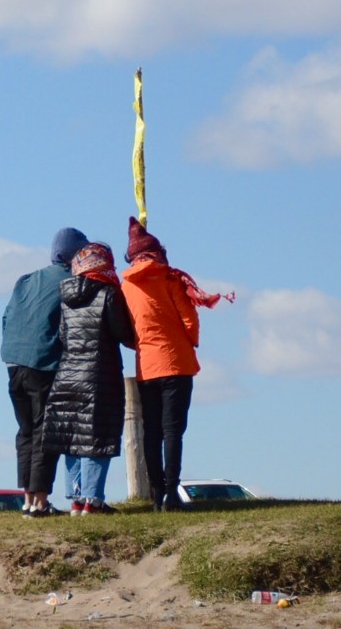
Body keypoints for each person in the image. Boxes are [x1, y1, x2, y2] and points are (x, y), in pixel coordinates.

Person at [118, 218, 232, 511]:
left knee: (151, 433)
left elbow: (128, 328)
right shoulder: (170, 278)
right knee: (173, 431)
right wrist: (189, 342)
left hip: (147, 365)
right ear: (158, 252)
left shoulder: (126, 286)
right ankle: (171, 493)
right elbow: (189, 319)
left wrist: (141, 345)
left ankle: (156, 494)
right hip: (177, 364)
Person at [42, 241, 137, 515]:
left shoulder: (65, 297)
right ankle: (92, 501)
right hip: (100, 375)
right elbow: (123, 333)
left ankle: (75, 499)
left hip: (67, 375)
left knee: (72, 437)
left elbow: (62, 335)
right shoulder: (108, 293)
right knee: (96, 439)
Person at [0, 226, 89, 516]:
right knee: (44, 433)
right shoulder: (71, 283)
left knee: (25, 431)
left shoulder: (25, 280)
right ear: (75, 255)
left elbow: (6, 317)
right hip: (43, 363)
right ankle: (39, 502)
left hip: (14, 362)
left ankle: (27, 498)